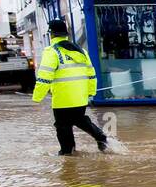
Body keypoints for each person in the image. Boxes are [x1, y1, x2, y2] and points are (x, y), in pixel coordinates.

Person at [32, 19, 107, 155]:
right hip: (80, 98)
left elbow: (44, 77)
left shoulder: (52, 52)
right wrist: (91, 92)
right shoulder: (81, 51)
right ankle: (101, 138)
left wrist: (37, 98)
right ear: (66, 34)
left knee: (63, 126)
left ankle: (67, 154)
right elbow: (91, 74)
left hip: (63, 99)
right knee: (80, 120)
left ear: (52, 35)